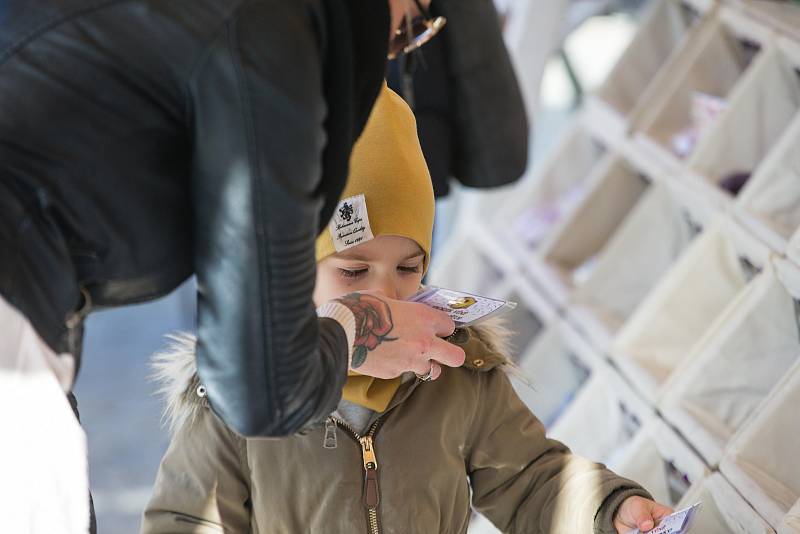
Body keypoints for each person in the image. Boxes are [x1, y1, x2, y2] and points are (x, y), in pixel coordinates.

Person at [0, 0, 462, 531]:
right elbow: (260, 386)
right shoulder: (278, 39)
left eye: (409, 269)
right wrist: (353, 326)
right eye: (409, 29)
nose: (392, 48)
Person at [142, 83, 672, 534]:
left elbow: (530, 475)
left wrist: (608, 507)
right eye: (352, 271)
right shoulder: (240, 394)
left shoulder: (455, 369)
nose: (386, 296)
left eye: (408, 268)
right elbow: (187, 518)